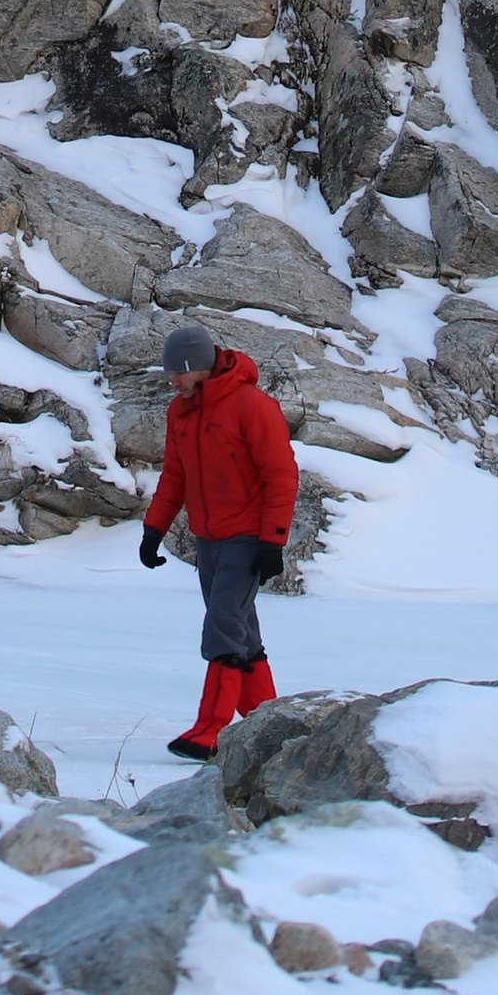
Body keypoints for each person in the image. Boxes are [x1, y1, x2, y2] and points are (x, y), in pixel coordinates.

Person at [137, 322, 297, 758]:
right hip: (208, 540)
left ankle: (210, 730)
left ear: (200, 367)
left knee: (223, 625)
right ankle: (270, 723)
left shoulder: (252, 406)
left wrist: (273, 540)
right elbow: (175, 476)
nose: (173, 382)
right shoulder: (181, 412)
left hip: (247, 537)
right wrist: (154, 531)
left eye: (179, 373)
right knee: (242, 632)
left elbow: (281, 475)